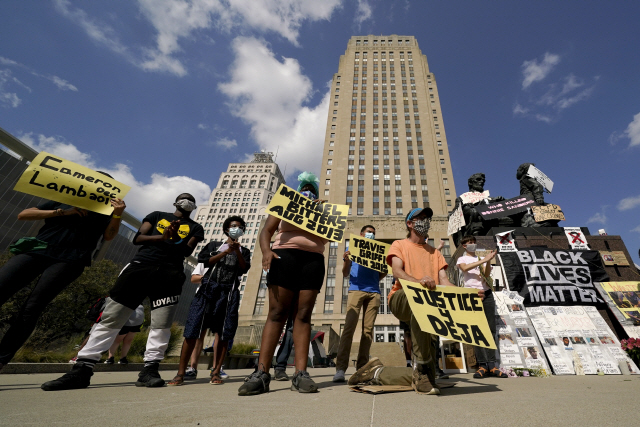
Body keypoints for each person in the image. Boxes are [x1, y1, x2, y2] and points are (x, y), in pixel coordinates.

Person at [42, 193, 204, 391]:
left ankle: (150, 370)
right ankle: (82, 369)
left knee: (162, 324)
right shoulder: (156, 215)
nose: (187, 201)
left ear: (193, 207)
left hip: (171, 274)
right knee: (112, 316)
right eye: (183, 198)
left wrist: (173, 238)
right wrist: (162, 236)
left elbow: (187, 251)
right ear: (175, 203)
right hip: (141, 266)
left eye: (190, 200)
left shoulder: (196, 227)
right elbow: (138, 238)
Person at [0, 183, 125, 372]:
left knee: (32, 308)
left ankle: (1, 359)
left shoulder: (107, 211)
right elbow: (24, 214)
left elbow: (109, 236)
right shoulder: (66, 200)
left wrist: (117, 214)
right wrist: (64, 212)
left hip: (70, 260)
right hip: (38, 249)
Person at [238, 172, 329, 396]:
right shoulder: (284, 203)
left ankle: (300, 374)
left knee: (303, 315)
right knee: (277, 312)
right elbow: (267, 231)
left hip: (313, 260)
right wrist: (266, 251)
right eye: (304, 188)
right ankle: (261, 373)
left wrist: (316, 214)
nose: (307, 192)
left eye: (311, 189)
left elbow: (327, 238)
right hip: (284, 256)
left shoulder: (322, 211)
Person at [372, 207, 459, 396]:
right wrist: (418, 282)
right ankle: (420, 368)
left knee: (431, 361)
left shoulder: (435, 253)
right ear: (410, 224)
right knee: (419, 299)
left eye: (427, 218)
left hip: (428, 302)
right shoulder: (399, 244)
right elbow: (397, 272)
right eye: (420, 218)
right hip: (401, 298)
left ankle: (375, 373)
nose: (425, 221)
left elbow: (444, 281)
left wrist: (467, 294)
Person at [168, 216, 250, 386]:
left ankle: (216, 371)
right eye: (234, 226)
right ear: (227, 229)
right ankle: (181, 373)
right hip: (207, 291)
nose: (237, 229)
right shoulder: (213, 246)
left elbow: (243, 269)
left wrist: (236, 251)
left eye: (241, 227)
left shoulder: (244, 251)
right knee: (193, 331)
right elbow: (204, 261)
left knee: (224, 333)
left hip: (228, 294)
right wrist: (225, 252)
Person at [333, 225, 386, 382]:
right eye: (369, 232)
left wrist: (374, 281)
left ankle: (362, 368)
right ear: (361, 234)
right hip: (356, 290)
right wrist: (347, 260)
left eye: (373, 233)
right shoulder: (353, 249)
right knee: (349, 328)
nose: (371, 234)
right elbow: (344, 273)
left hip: (374, 292)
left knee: (367, 331)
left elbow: (383, 271)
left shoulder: (377, 252)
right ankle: (340, 369)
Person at [456, 235, 506, 379]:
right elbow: (465, 269)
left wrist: (488, 261)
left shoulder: (479, 259)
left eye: (474, 242)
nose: (473, 244)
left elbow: (485, 274)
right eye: (469, 243)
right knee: (477, 329)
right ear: (464, 246)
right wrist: (484, 260)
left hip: (486, 293)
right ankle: (482, 365)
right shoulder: (462, 259)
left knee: (490, 328)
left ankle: (492, 364)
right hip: (472, 295)